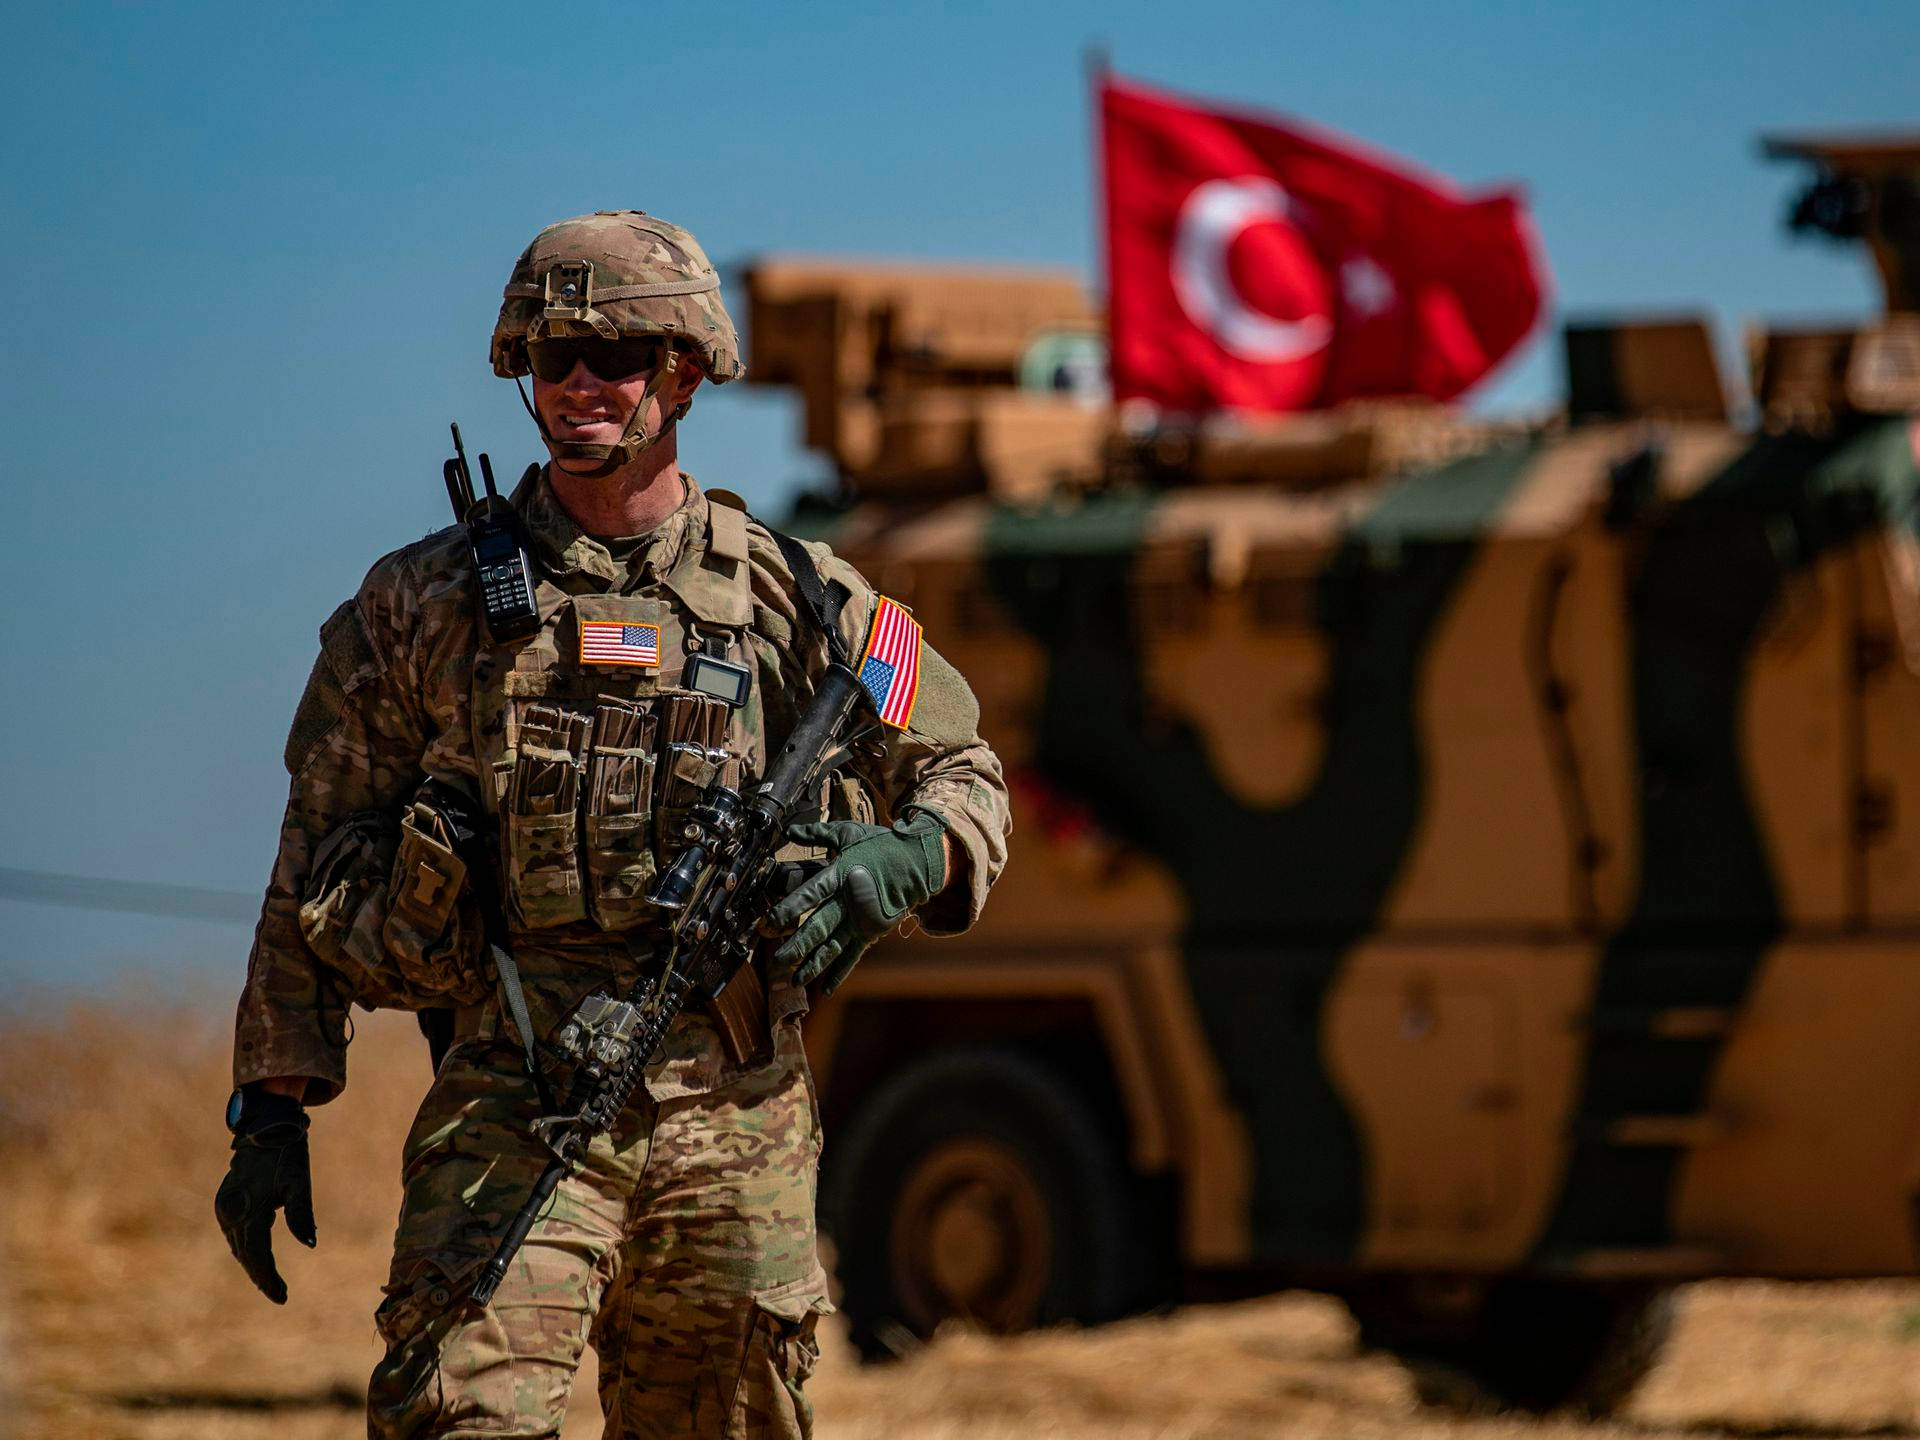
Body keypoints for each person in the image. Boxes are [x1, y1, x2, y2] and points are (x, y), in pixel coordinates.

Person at [213, 210, 1011, 1438]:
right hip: (515, 1091)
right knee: (459, 1418)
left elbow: (964, 769)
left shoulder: (799, 596)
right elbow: (317, 838)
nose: (581, 383)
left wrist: (902, 859)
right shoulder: (419, 605)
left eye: (616, 357)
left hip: (735, 1112)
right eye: (552, 359)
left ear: (682, 373)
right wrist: (273, 1100)